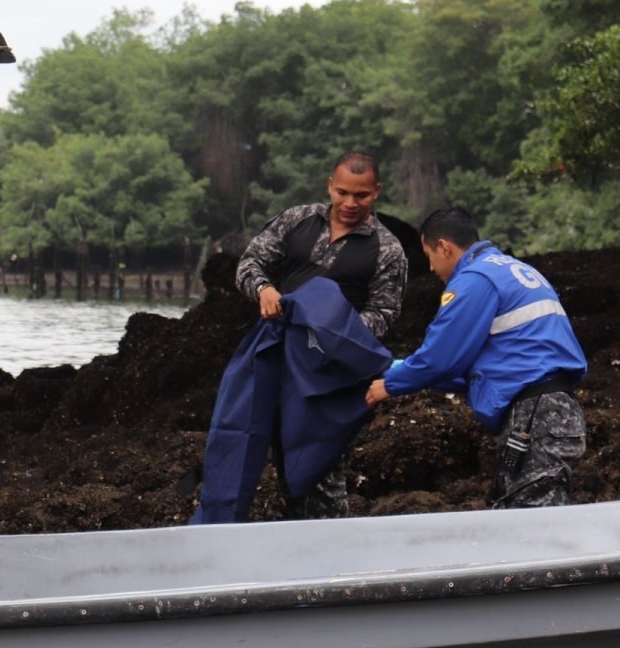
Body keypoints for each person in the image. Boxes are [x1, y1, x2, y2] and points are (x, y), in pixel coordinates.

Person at [366, 208, 587, 508]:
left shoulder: (475, 279)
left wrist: (390, 383)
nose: (430, 267)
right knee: (521, 510)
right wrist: (411, 371)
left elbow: (440, 358)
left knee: (535, 523)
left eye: (429, 255)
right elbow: (478, 365)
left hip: (535, 415)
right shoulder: (513, 269)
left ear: (444, 247)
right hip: (554, 410)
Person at [230, 151, 407, 519]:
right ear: (330, 185)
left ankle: (335, 556)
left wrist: (331, 330)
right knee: (271, 454)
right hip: (277, 360)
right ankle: (292, 547)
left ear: (376, 192)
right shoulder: (297, 220)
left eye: (360, 195)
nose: (349, 203)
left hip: (329, 377)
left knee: (320, 465)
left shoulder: (387, 250)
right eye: (342, 192)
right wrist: (263, 289)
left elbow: (385, 313)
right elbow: (250, 263)